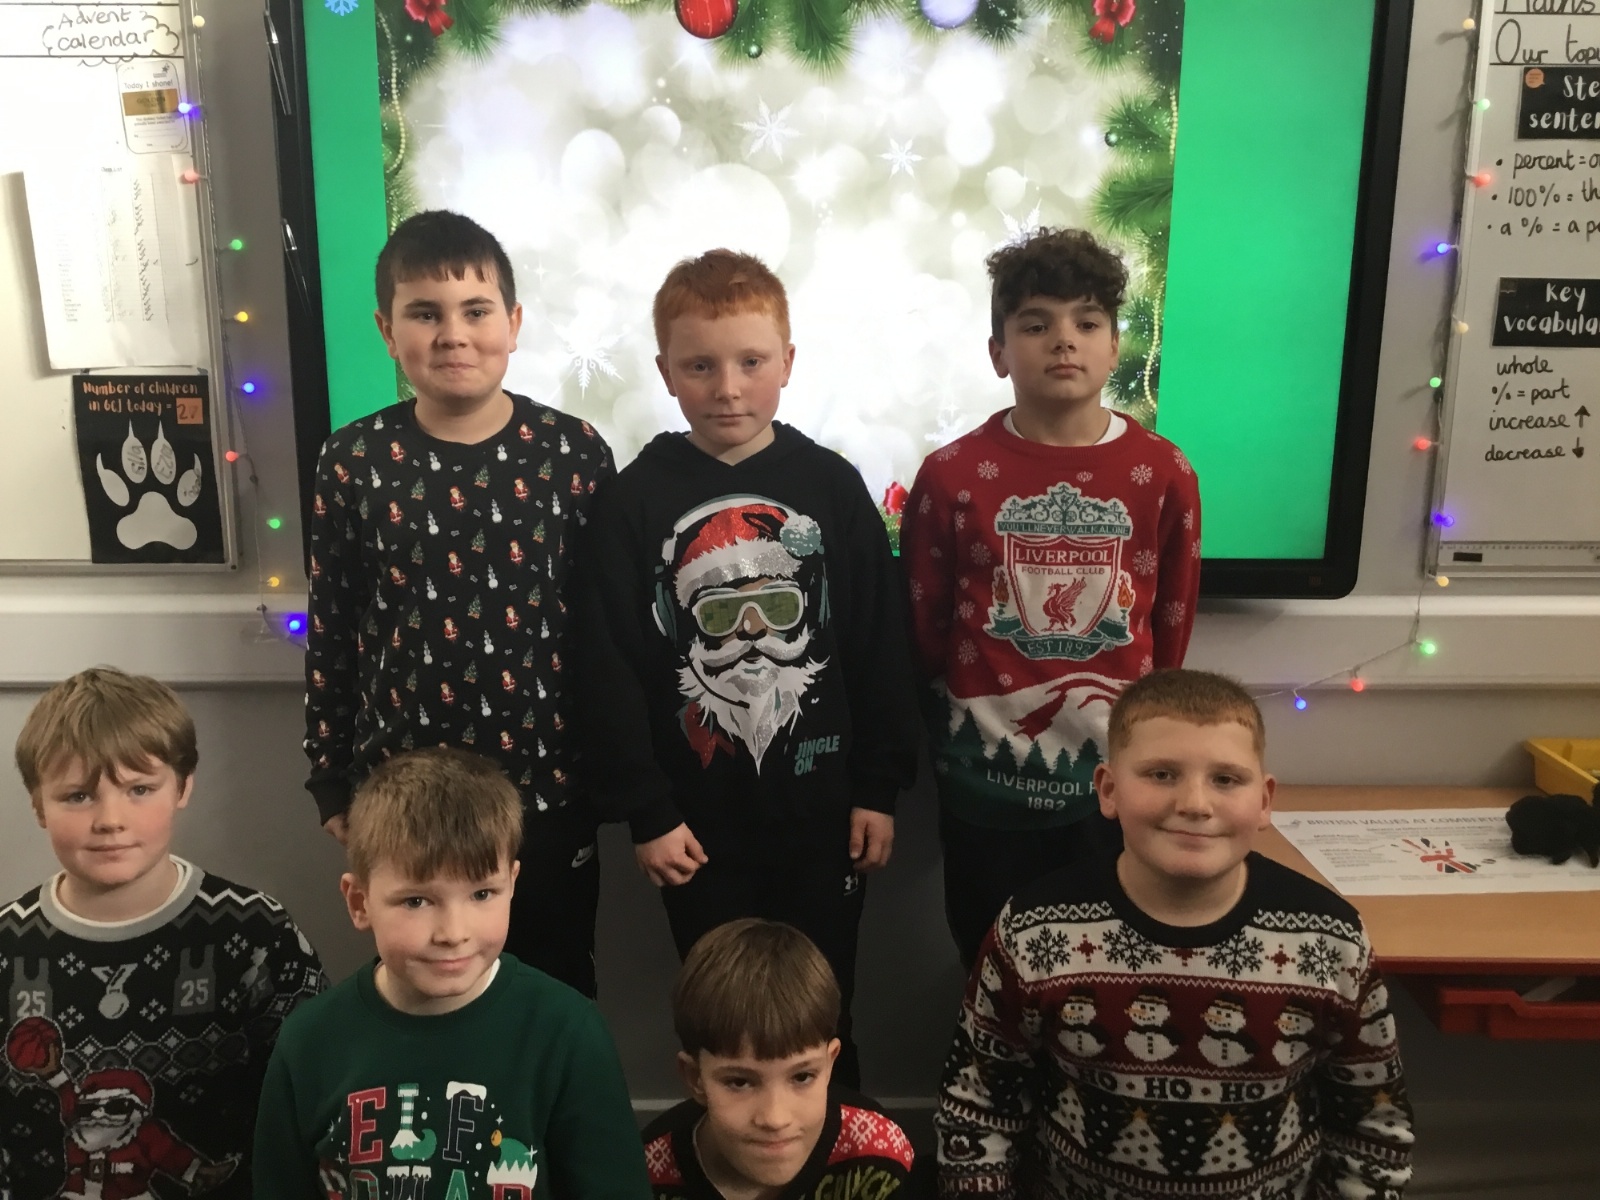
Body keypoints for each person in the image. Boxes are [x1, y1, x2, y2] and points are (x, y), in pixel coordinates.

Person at [575, 249, 920, 1086]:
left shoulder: (832, 488)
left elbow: (880, 644)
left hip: (826, 819)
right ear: (666, 372)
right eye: (700, 366)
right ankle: (724, 1140)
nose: (727, 388)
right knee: (720, 1015)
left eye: (751, 362)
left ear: (787, 363)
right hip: (695, 832)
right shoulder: (632, 502)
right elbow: (606, 665)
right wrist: (647, 812)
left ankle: (840, 1144)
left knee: (826, 1009)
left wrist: (879, 787)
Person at [933, 669, 1414, 1199]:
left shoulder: (1330, 940)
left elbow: (1373, 1126)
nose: (1194, 804)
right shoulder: (1034, 931)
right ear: (1109, 790)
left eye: (1226, 779)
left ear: (1264, 800)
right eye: (1162, 774)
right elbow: (977, 1110)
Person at [303, 209, 613, 996]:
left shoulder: (573, 454)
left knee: (553, 988)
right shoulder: (354, 461)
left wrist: (611, 776)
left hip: (547, 793)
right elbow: (333, 630)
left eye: (476, 311)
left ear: (513, 323)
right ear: (386, 329)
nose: (453, 335)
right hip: (403, 794)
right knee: (425, 989)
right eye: (424, 313)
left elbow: (605, 632)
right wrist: (331, 776)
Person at [899, 227, 1203, 971]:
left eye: (1087, 322)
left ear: (1114, 345)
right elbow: (925, 623)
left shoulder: (1164, 472)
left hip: (1113, 787)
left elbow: (1171, 622)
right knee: (988, 958)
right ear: (998, 351)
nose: (1064, 340)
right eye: (1036, 324)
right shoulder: (951, 474)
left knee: (1106, 964)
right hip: (983, 784)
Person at [252, 746, 649, 1199]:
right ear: (360, 902)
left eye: (482, 894)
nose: (453, 933)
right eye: (416, 901)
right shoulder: (309, 1042)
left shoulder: (568, 1034)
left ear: (512, 884)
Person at [1, 667, 326, 1200]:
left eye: (139, 789)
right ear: (39, 804)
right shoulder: (7, 946)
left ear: (183, 787)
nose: (111, 819)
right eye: (78, 796)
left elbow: (316, 1096)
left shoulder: (256, 933)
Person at [643, 919, 919, 1200]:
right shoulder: (646, 1175)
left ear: (829, 1064)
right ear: (695, 1078)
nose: (775, 1118)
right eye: (739, 1082)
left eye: (802, 1076)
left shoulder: (879, 1156)